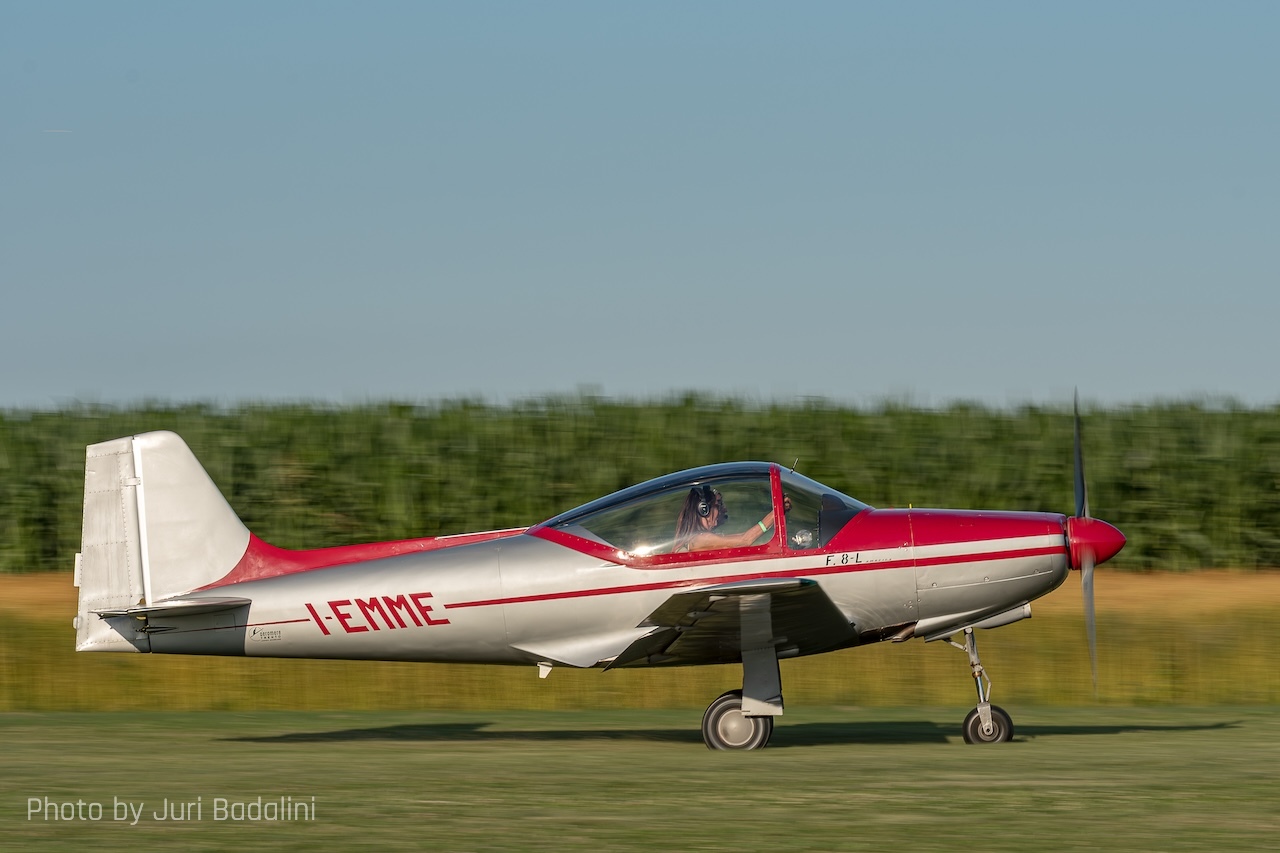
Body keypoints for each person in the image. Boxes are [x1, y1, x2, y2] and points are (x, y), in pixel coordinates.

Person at [673, 484, 788, 552]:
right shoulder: (700, 538)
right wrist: (776, 512)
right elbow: (744, 540)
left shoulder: (696, 538)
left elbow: (742, 536)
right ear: (704, 509)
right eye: (717, 506)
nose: (724, 510)